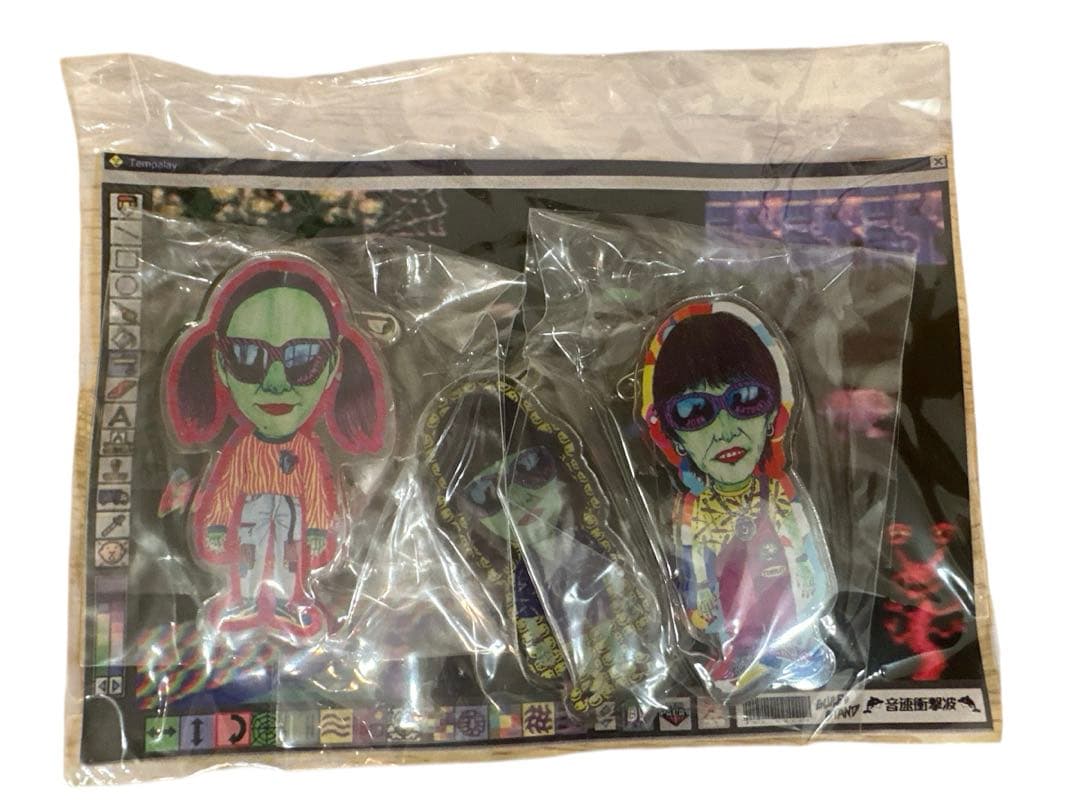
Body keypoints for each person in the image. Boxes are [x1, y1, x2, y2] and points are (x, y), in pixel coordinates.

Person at [164, 254, 387, 642]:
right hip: (250, 508)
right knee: (248, 551)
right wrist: (216, 524)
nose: (276, 382)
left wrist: (317, 528)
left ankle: (287, 602)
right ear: (221, 364)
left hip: (293, 511)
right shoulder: (240, 448)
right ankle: (246, 599)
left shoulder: (309, 449)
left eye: (303, 357)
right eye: (248, 356)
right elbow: (226, 486)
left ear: (333, 365)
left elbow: (316, 488)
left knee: (289, 554)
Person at [424, 376, 662, 715]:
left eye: (528, 467)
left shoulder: (601, 552)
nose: (515, 497)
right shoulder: (511, 588)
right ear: (467, 513)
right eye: (484, 491)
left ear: (562, 466)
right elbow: (540, 651)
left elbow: (633, 613)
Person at [641, 299, 835, 692]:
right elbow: (694, 563)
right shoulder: (693, 510)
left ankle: (792, 649)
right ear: (672, 436)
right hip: (731, 617)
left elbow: (804, 544)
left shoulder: (779, 492)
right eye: (694, 410)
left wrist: (810, 585)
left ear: (773, 415)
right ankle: (745, 654)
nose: (725, 430)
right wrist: (702, 605)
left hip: (788, 604)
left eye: (745, 399)